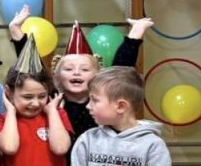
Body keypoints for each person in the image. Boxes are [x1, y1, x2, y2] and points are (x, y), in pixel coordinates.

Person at [9, 10, 150, 145]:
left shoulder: (104, 101)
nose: (76, 72)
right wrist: (16, 30)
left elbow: (121, 69)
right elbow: (34, 67)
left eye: (85, 69)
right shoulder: (52, 99)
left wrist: (136, 32)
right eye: (69, 69)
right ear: (56, 77)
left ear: (98, 76)